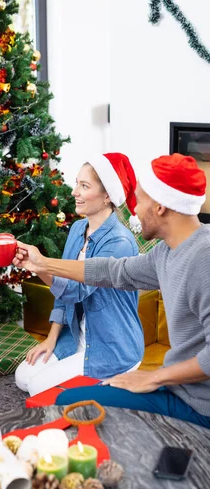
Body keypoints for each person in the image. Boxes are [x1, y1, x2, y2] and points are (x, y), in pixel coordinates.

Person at [14, 153, 210, 428]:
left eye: (139, 201)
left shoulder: (204, 258)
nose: (135, 211)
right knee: (59, 401)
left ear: (160, 207)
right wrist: (43, 263)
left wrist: (153, 377)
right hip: (174, 387)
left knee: (60, 405)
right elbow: (110, 271)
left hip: (198, 408)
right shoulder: (167, 252)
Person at [15, 153, 144, 396]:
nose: (74, 192)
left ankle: (117, 377)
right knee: (23, 378)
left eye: (84, 186)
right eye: (77, 183)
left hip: (111, 345)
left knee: (37, 389)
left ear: (107, 196)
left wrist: (40, 266)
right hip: (77, 337)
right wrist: (51, 339)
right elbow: (64, 295)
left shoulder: (119, 241)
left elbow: (76, 289)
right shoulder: (77, 228)